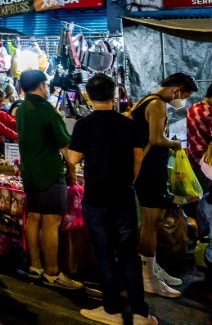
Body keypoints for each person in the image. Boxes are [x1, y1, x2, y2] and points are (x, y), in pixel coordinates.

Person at [67, 74, 156, 325]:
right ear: (114, 94)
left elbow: (73, 159)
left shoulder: (84, 125)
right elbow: (137, 162)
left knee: (104, 254)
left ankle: (112, 310)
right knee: (129, 255)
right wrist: (127, 182)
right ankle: (140, 313)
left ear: (88, 96)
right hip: (124, 197)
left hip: (96, 198)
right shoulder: (129, 124)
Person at [131, 72, 196, 297]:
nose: (183, 100)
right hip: (150, 171)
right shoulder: (158, 104)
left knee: (152, 222)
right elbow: (157, 138)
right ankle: (148, 277)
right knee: (151, 223)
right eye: (184, 95)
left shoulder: (144, 101)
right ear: (176, 89)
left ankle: (151, 268)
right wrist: (176, 144)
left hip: (146, 169)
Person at [16, 70, 82, 290]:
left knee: (34, 218)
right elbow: (66, 146)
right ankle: (52, 273)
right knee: (51, 222)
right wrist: (72, 171)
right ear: (42, 85)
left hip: (30, 173)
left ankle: (35, 267)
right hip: (49, 173)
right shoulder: (47, 111)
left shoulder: (22, 109)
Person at [187, 83, 212, 195]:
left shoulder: (193, 108)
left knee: (199, 195)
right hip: (208, 162)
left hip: (193, 159)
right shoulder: (210, 112)